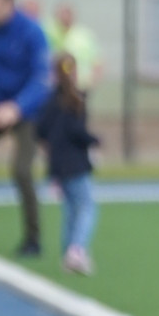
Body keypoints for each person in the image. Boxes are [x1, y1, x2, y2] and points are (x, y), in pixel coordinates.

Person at [0, 0, 51, 257]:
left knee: (22, 171)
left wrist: (17, 107)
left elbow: (42, 79)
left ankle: (33, 239)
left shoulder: (31, 31)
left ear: (8, 3)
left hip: (26, 111)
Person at [35, 53, 100, 275]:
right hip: (76, 163)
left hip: (57, 164)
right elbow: (77, 131)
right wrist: (95, 140)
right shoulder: (76, 99)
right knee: (87, 207)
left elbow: (40, 130)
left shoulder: (49, 100)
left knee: (70, 210)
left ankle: (68, 255)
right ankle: (77, 249)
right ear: (75, 72)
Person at [45, 2, 104, 93]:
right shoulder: (48, 34)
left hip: (80, 87)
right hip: (54, 88)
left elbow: (98, 61)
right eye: (62, 14)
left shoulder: (84, 35)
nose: (65, 17)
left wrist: (92, 81)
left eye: (68, 13)